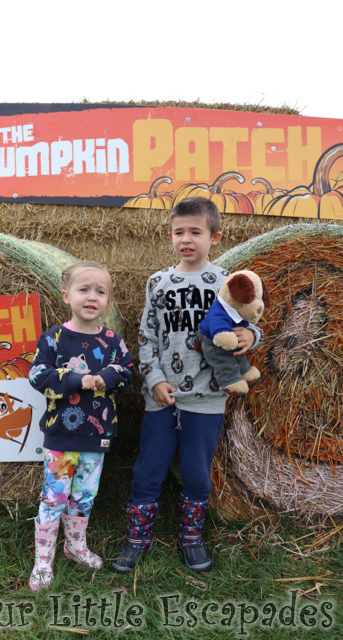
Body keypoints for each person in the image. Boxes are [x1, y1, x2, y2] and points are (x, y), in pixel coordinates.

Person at [111, 197, 263, 574]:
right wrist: (155, 380)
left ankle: (191, 536)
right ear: (169, 236)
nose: (186, 239)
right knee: (149, 468)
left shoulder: (226, 280)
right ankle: (137, 537)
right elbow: (146, 338)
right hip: (162, 397)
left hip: (208, 397)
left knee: (197, 471)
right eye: (179, 232)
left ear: (215, 236)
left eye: (196, 232)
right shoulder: (158, 282)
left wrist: (250, 336)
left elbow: (252, 319)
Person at [28, 260, 134, 591]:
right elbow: (36, 375)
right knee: (54, 496)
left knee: (85, 496)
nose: (92, 297)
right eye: (84, 289)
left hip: (97, 435)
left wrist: (107, 376)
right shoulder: (55, 338)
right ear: (66, 295)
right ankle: (43, 559)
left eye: (100, 292)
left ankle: (75, 546)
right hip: (61, 435)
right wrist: (77, 379)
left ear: (108, 300)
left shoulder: (113, 341)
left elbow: (128, 370)